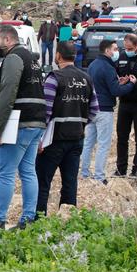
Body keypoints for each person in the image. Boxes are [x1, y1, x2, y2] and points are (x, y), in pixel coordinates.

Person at [0, 25, 46, 232]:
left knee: (6, 173)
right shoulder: (33, 59)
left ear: (7, 40)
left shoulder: (14, 58)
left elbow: (7, 93)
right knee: (28, 172)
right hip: (36, 122)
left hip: (19, 123)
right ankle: (28, 220)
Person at [36, 42, 99, 215]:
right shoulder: (86, 78)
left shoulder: (54, 78)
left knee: (42, 182)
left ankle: (38, 220)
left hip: (53, 141)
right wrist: (80, 124)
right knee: (70, 183)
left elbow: (45, 112)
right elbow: (95, 109)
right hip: (77, 139)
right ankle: (68, 221)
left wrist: (39, 139)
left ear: (58, 56)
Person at [81, 40, 135, 184]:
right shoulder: (108, 67)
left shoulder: (92, 65)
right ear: (107, 51)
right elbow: (115, 91)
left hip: (92, 108)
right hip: (104, 110)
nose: (117, 52)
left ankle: (84, 173)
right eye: (115, 49)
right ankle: (99, 176)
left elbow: (103, 85)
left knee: (88, 143)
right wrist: (130, 84)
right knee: (103, 144)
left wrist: (119, 82)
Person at [114, 34, 137, 178]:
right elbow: (116, 74)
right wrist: (120, 81)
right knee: (121, 137)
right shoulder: (122, 56)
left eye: (130, 48)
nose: (127, 50)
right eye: (125, 47)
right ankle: (121, 168)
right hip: (125, 102)